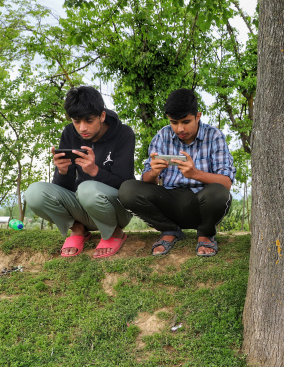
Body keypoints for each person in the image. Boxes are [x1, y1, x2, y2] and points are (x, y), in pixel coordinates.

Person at [119, 89, 235, 257]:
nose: (180, 128)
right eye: (174, 122)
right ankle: (169, 230)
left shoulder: (214, 136)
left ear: (198, 116)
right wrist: (154, 173)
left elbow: (226, 183)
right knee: (127, 190)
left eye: (186, 122)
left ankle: (205, 234)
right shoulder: (162, 135)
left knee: (218, 193)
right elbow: (147, 180)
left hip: (202, 203)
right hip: (169, 202)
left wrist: (195, 174)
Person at [25, 86, 134, 258]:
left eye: (88, 121)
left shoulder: (124, 133)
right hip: (83, 206)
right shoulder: (69, 133)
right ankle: (77, 229)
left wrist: (95, 171)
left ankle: (114, 232)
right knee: (34, 193)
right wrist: (62, 171)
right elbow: (64, 188)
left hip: (116, 209)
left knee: (86, 188)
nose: (82, 128)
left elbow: (125, 185)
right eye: (76, 121)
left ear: (102, 116)